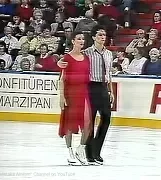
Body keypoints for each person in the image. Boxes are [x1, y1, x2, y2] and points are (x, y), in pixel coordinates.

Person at [58, 25, 114, 165]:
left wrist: (111, 90)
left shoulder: (108, 54)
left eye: (104, 35)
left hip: (101, 88)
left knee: (104, 119)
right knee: (85, 121)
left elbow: (109, 73)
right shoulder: (87, 53)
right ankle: (86, 153)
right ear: (94, 37)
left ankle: (93, 151)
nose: (102, 37)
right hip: (89, 88)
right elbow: (69, 62)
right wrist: (59, 62)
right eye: (100, 35)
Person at [58, 31, 92, 166]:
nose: (81, 41)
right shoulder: (66, 58)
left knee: (88, 123)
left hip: (83, 92)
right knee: (69, 124)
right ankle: (70, 151)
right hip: (70, 93)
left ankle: (81, 149)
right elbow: (61, 79)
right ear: (73, 41)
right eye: (78, 39)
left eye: (83, 39)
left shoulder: (86, 57)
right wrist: (61, 97)